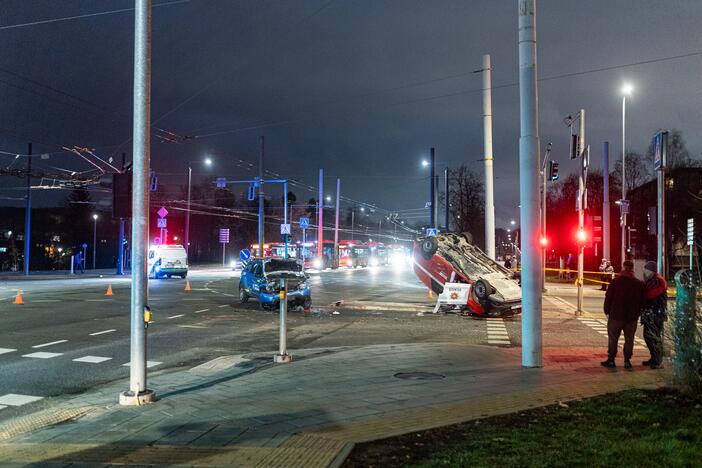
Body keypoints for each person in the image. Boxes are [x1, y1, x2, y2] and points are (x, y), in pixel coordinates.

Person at [602, 260, 644, 369]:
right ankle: (627, 361)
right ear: (632, 269)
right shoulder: (638, 284)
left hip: (616, 315)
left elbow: (608, 297)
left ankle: (611, 360)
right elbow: (642, 301)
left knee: (613, 338)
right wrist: (638, 313)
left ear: (623, 267)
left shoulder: (616, 282)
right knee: (629, 339)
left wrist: (607, 311)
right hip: (631, 318)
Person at [641, 261, 667, 369]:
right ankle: (654, 357)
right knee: (649, 336)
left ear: (650, 270)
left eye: (645, 270)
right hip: (651, 314)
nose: (644, 272)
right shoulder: (652, 280)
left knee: (654, 337)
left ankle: (657, 360)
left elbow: (650, 295)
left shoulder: (657, 281)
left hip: (655, 314)